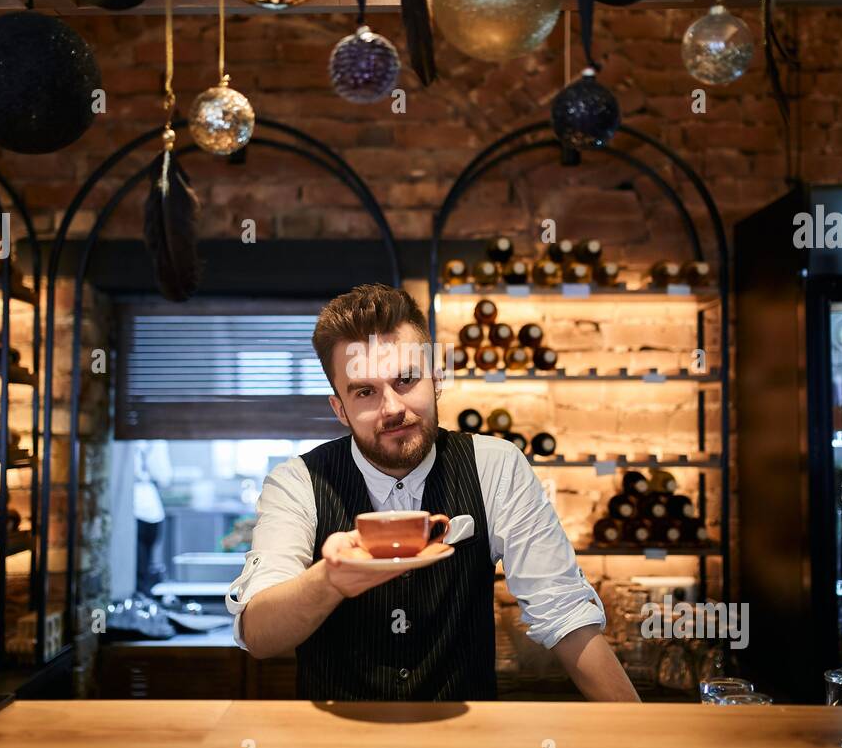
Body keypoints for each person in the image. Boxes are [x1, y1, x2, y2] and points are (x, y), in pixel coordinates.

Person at [225, 284, 640, 702]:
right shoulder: (297, 482)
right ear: (340, 409)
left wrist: (639, 736)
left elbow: (564, 613)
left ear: (437, 378)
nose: (391, 408)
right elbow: (259, 634)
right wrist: (329, 579)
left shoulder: (495, 465)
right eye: (365, 391)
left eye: (405, 380)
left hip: (466, 746)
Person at [133, 440, 173, 596]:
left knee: (139, 570)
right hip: (150, 508)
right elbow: (164, 475)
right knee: (144, 567)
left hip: (141, 509)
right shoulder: (155, 441)